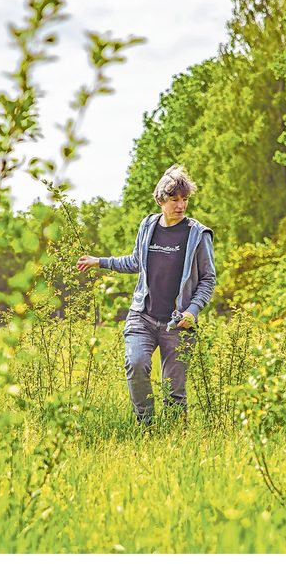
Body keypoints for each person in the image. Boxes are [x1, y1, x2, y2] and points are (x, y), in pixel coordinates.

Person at [77, 165, 216, 424]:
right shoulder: (148, 225)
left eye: (184, 199)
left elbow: (208, 279)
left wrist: (192, 311)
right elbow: (135, 262)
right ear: (161, 199)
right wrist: (101, 261)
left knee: (174, 390)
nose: (180, 205)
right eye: (174, 199)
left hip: (178, 323)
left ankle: (174, 437)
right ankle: (146, 426)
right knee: (136, 364)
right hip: (143, 316)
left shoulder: (197, 234)